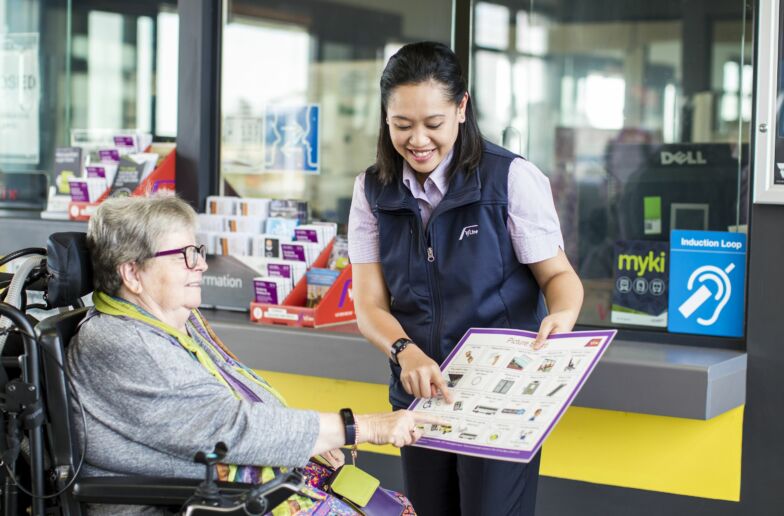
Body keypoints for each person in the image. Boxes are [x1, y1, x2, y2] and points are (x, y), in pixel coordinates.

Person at [66, 194, 441, 516]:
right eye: (184, 255)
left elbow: (239, 404)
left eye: (197, 251)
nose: (200, 264)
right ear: (132, 272)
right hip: (185, 501)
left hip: (224, 489)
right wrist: (361, 427)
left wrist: (311, 443)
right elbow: (225, 430)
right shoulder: (118, 342)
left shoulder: (175, 321)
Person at [348, 41, 584, 515]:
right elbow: (369, 304)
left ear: (461, 108)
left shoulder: (511, 179)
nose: (418, 140)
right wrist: (404, 351)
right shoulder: (372, 190)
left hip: (502, 399)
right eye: (401, 125)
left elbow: (558, 274)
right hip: (421, 397)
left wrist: (563, 315)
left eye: (433, 124)